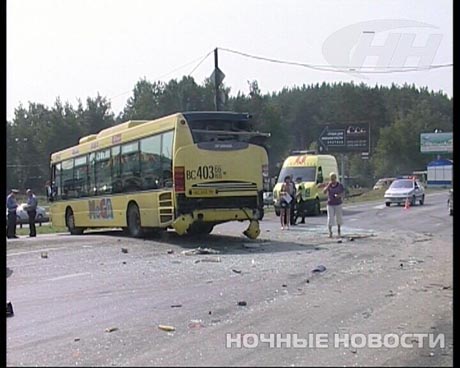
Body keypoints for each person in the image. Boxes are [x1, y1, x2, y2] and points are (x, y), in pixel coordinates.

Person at [323, 172, 345, 238]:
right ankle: (330, 232)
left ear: (336, 178)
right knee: (330, 218)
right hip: (330, 203)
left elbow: (343, 193)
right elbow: (324, 192)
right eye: (331, 179)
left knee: (339, 217)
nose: (332, 180)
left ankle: (339, 230)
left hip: (338, 203)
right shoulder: (329, 185)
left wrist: (339, 195)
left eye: (334, 179)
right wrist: (328, 186)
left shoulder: (339, 185)